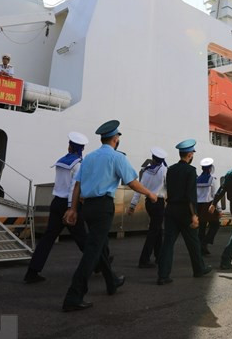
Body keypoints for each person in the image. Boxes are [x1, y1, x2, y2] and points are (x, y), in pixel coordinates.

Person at [61, 120, 157, 311]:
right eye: (118, 137)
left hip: (86, 207)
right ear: (115, 139)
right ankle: (74, 295)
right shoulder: (116, 158)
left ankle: (111, 281)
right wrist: (150, 193)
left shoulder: (88, 158)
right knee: (93, 250)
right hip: (103, 207)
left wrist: (72, 209)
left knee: (100, 245)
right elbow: (132, 182)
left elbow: (78, 185)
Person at [24, 132, 89, 284]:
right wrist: (70, 208)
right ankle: (100, 264)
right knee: (82, 238)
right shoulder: (79, 164)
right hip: (70, 204)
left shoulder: (61, 162)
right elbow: (74, 187)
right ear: (81, 149)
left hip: (56, 202)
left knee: (48, 238)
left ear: (70, 146)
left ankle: (32, 271)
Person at [157, 139, 211, 284]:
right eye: (192, 153)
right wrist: (194, 215)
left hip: (170, 210)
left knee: (167, 244)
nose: (193, 155)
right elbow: (190, 195)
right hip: (185, 211)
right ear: (189, 154)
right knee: (193, 242)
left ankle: (163, 275)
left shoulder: (171, 169)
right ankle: (199, 269)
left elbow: (169, 189)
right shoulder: (191, 171)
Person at [129, 147, 168, 268]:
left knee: (157, 229)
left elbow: (138, 189)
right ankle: (144, 259)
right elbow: (168, 186)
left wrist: (132, 205)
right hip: (158, 202)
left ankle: (158, 255)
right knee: (154, 231)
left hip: (149, 203)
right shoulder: (164, 170)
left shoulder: (146, 171)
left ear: (152, 158)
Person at [195, 157, 220, 255]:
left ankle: (201, 247)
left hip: (198, 205)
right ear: (210, 168)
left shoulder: (197, 179)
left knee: (201, 227)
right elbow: (215, 195)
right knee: (215, 224)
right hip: (208, 204)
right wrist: (218, 208)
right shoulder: (212, 179)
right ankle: (205, 242)